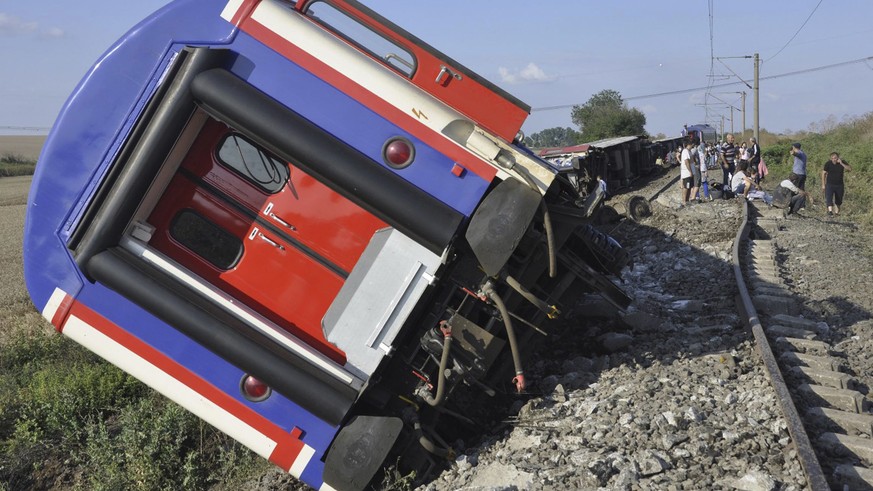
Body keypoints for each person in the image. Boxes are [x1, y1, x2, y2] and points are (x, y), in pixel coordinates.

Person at [679, 142, 694, 207]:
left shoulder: (688, 151)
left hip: (690, 173)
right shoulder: (685, 151)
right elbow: (686, 162)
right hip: (687, 173)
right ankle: (684, 201)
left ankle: (687, 200)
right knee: (686, 187)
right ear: (689, 144)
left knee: (689, 187)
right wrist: (690, 171)